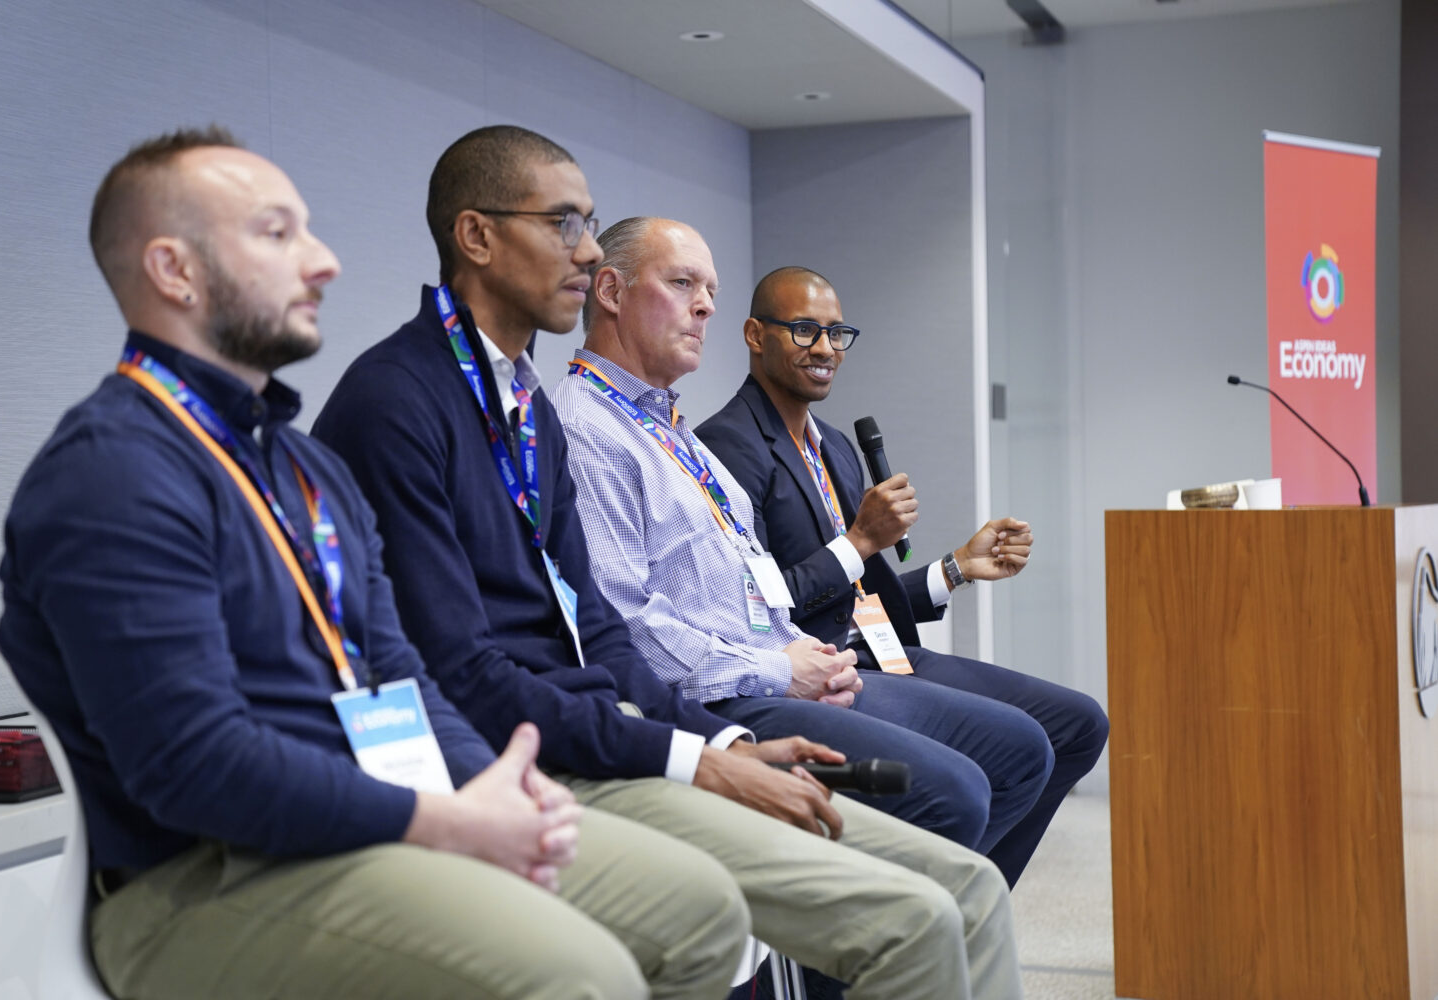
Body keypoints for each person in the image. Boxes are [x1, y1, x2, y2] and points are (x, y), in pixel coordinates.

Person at [0, 126, 753, 1000]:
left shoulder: (302, 467)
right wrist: (439, 817)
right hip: (206, 877)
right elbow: (195, 765)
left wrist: (489, 789)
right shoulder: (113, 471)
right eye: (277, 233)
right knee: (581, 975)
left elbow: (402, 677)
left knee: (699, 911)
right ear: (174, 270)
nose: (323, 261)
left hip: (370, 822)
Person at [313, 125, 1022, 1000]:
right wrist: (693, 751)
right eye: (564, 224)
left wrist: (714, 741)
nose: (585, 251)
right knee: (885, 905)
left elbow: (596, 627)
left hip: (626, 718)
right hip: (537, 752)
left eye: (589, 224)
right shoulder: (403, 402)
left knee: (970, 891)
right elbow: (466, 668)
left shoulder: (526, 408)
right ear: (477, 236)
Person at [551, 216, 1051, 866]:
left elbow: (754, 586)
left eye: (710, 290)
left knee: (1024, 748)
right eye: (682, 283)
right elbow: (625, 624)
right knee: (955, 791)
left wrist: (805, 651)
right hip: (724, 696)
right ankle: (890, 922)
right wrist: (785, 668)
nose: (704, 306)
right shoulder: (590, 430)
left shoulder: (678, 430)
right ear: (612, 291)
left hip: (799, 661)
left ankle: (928, 912)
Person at [695, 265, 1109, 886]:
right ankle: (938, 908)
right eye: (805, 330)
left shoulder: (834, 445)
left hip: (880, 650)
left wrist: (956, 568)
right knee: (1017, 748)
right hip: (816, 669)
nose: (825, 348)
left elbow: (860, 594)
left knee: (1079, 724)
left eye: (837, 333)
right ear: (756, 335)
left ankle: (959, 904)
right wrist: (861, 539)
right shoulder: (725, 447)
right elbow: (759, 608)